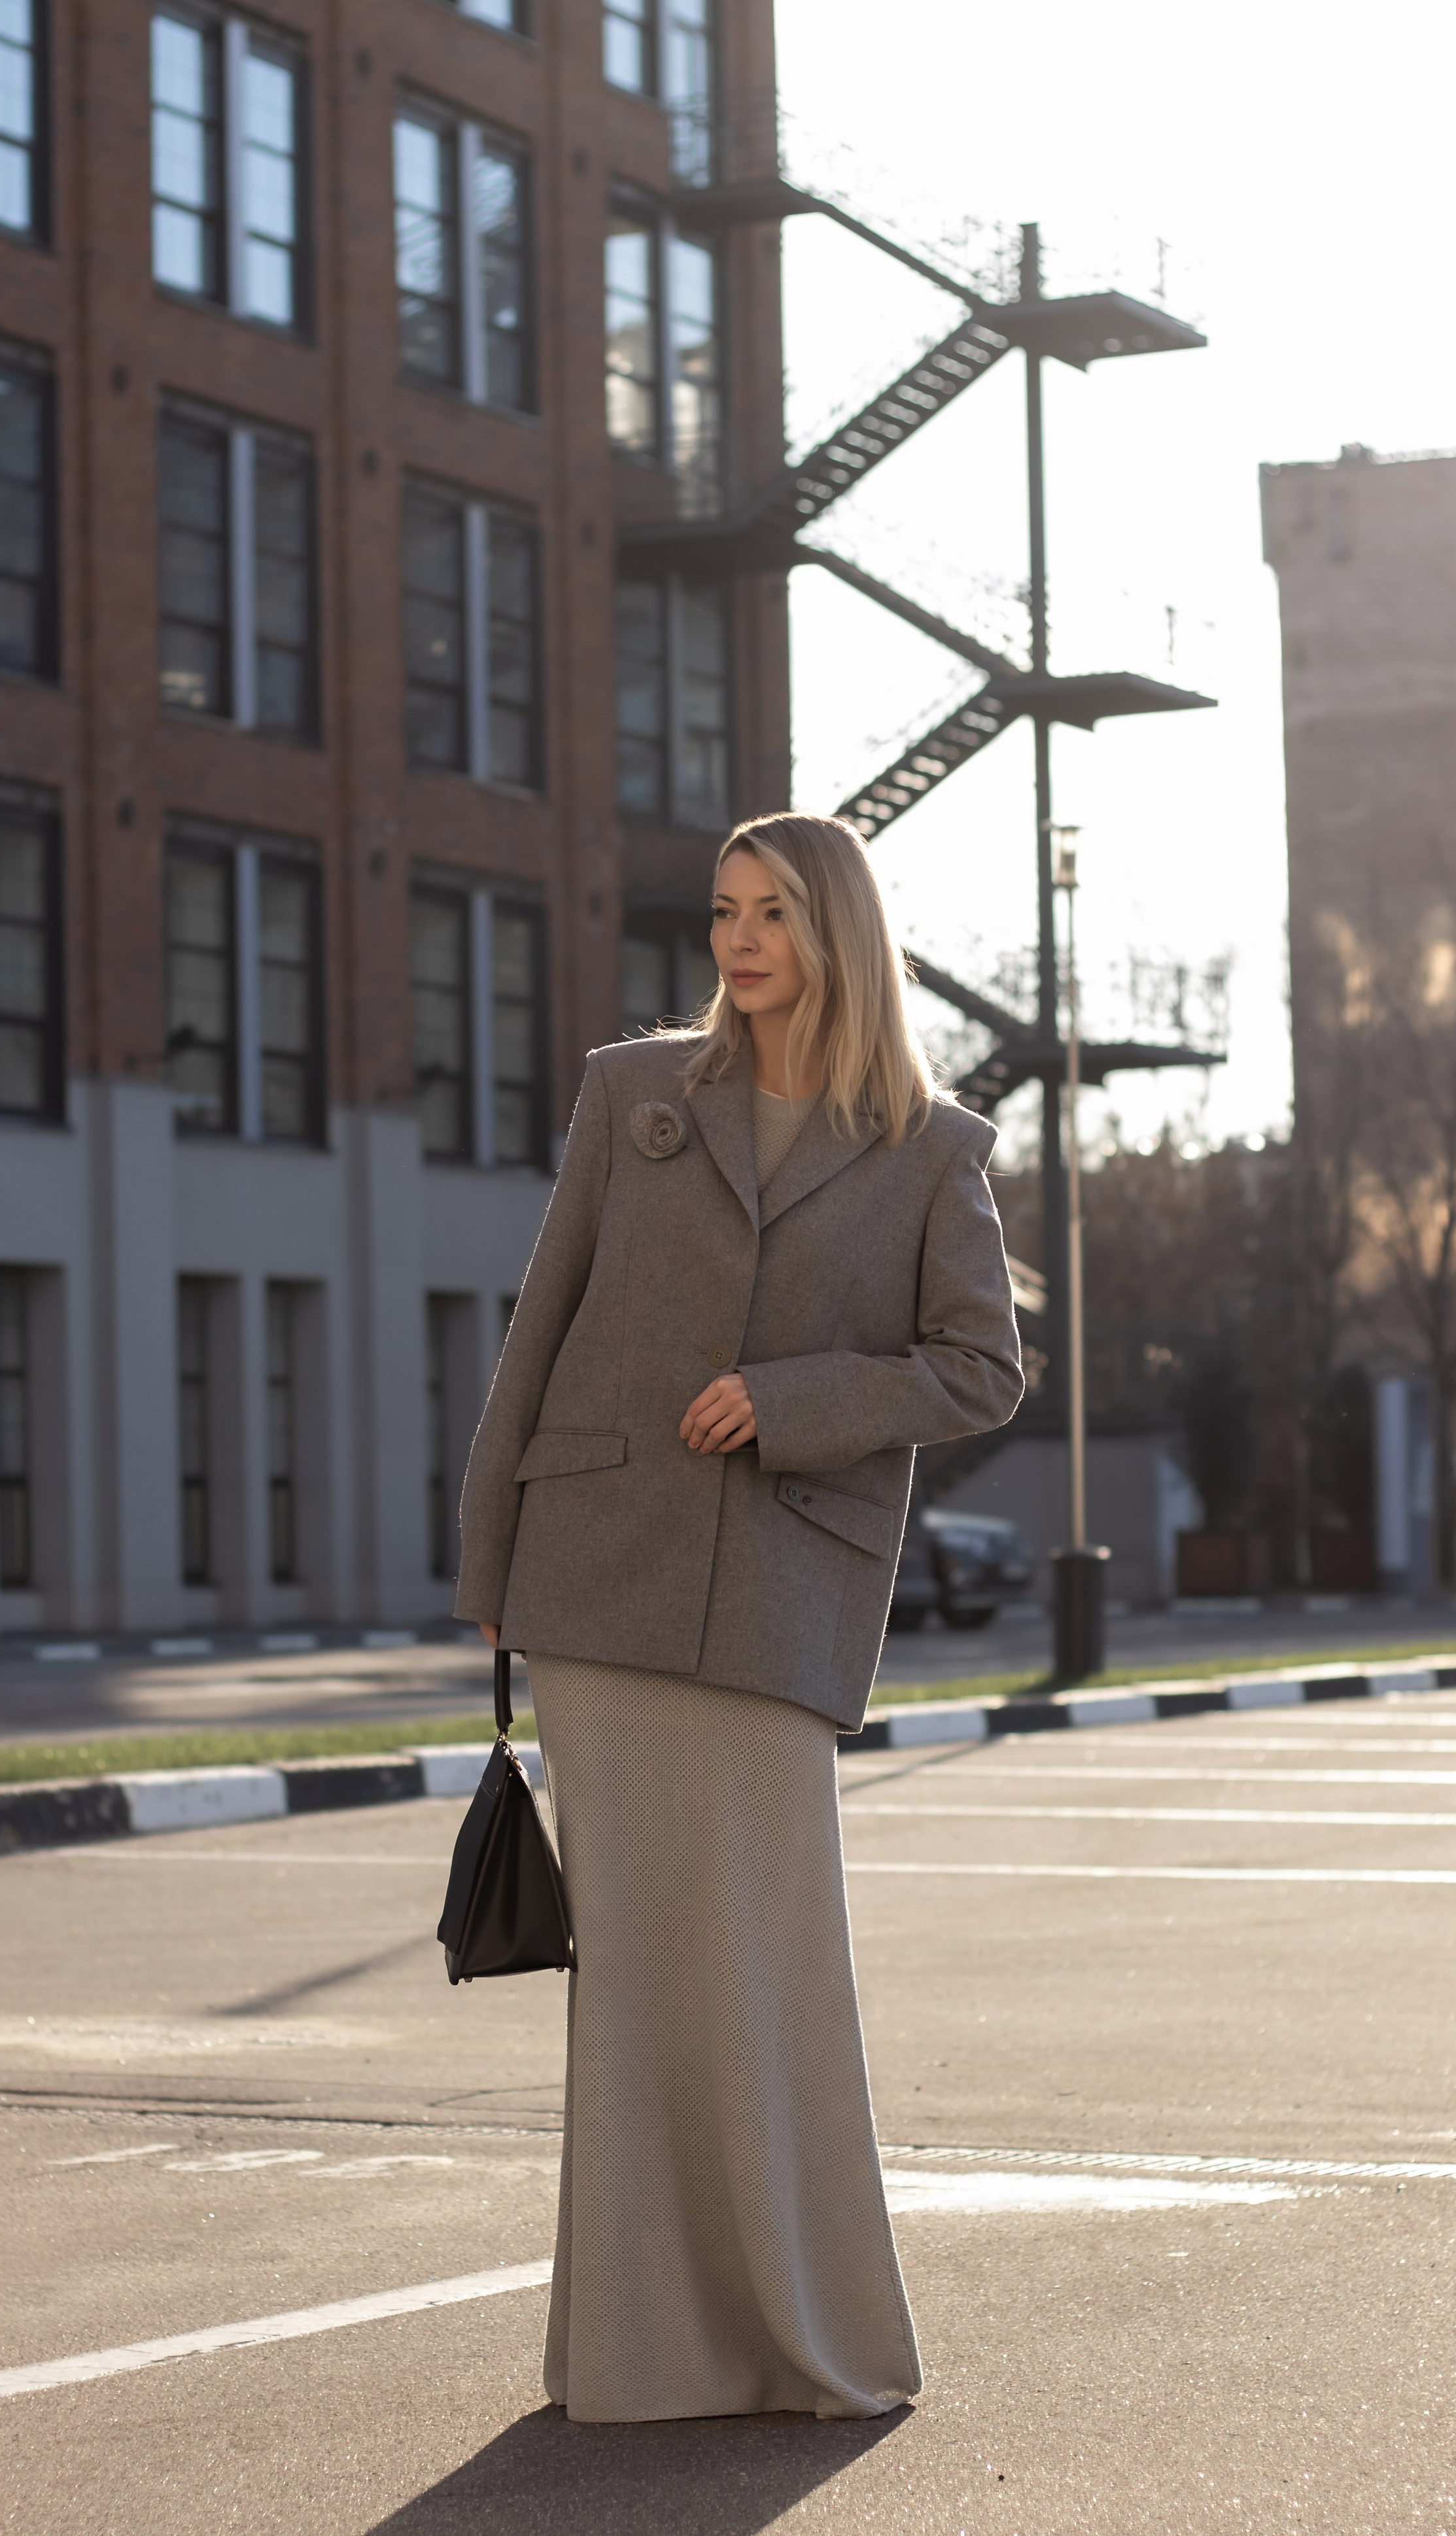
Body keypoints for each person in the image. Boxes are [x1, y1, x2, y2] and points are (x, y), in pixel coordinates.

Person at [455, 811, 1023, 2424]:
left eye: (773, 912)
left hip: (783, 1590)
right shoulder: (633, 1094)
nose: (741, 942)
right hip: (599, 1573)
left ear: (839, 929)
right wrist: (486, 1571)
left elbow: (977, 1369)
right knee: (631, 1971)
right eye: (723, 913)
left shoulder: (933, 1149)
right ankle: (645, 2359)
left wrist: (789, 1399)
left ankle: (800, 2333)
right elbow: (537, 1327)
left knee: (776, 1963)